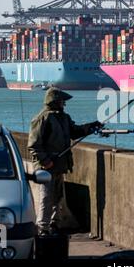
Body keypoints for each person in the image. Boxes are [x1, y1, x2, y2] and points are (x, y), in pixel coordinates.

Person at [28, 87, 103, 236]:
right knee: (46, 198)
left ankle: (55, 225)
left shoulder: (64, 118)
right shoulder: (42, 119)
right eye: (62, 101)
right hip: (46, 169)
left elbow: (75, 132)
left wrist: (92, 126)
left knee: (58, 198)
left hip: (60, 166)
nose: (64, 104)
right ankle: (42, 228)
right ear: (55, 102)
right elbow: (33, 145)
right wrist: (45, 161)